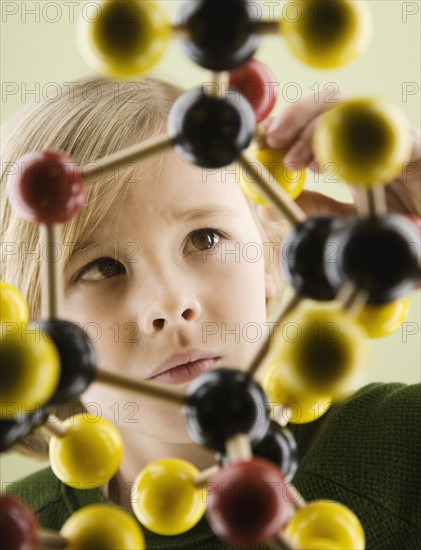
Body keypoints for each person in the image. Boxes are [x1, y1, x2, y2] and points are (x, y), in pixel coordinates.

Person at [2, 77, 420, 549]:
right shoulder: (25, 531)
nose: (170, 304)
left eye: (205, 239)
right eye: (101, 268)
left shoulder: (404, 444)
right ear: (34, 332)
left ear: (270, 257)